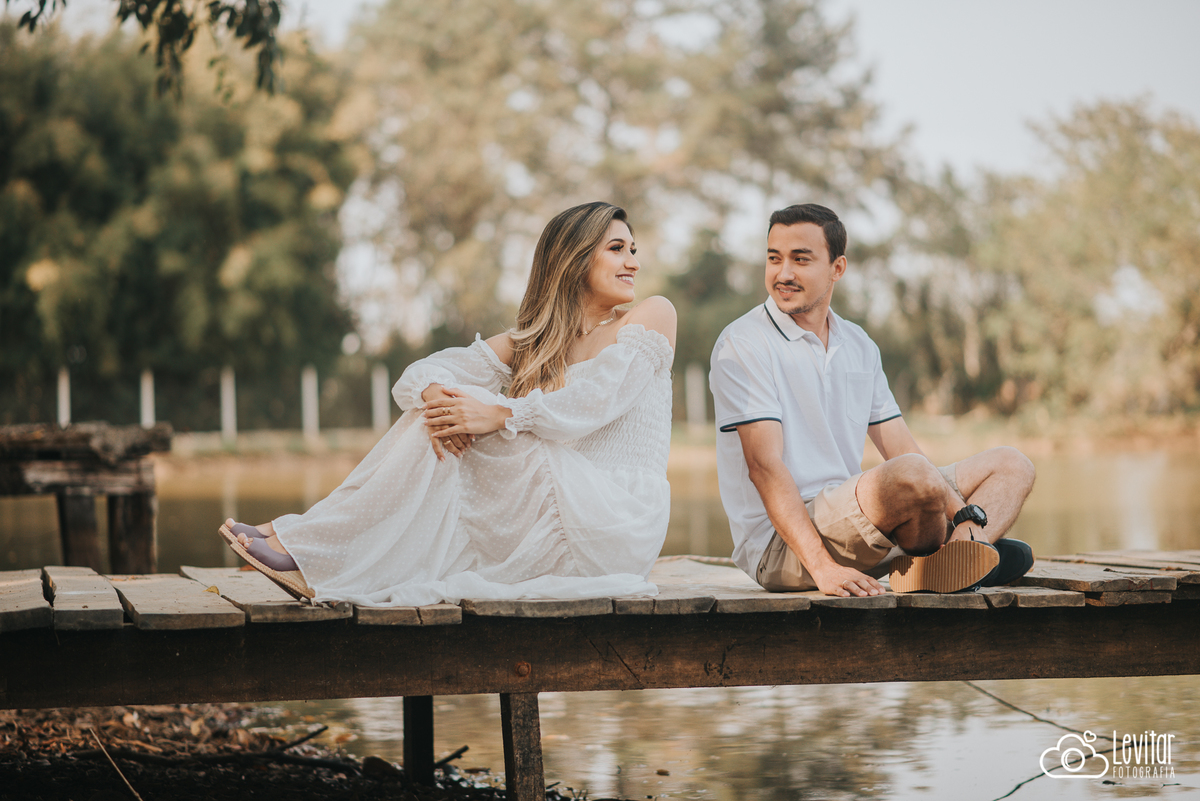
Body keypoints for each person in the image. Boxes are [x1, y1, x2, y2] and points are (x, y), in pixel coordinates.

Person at [220, 201, 677, 607]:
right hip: (556, 517)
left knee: (469, 405)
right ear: (573, 260)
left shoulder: (652, 315)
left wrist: (498, 415)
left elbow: (593, 403)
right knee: (440, 406)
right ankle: (308, 544)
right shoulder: (534, 344)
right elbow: (418, 374)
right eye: (617, 249)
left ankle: (303, 542)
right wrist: (437, 397)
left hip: (618, 520)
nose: (632, 262)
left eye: (633, 250)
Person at [709, 203, 1036, 597]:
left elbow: (901, 447)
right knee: (912, 474)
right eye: (774, 258)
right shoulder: (743, 342)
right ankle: (966, 554)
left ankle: (963, 554)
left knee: (1012, 465)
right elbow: (763, 466)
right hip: (784, 547)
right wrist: (824, 570)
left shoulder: (858, 343)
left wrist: (962, 515)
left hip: (860, 520)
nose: (784, 274)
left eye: (801, 259)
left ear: (837, 268)